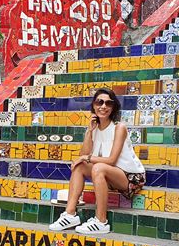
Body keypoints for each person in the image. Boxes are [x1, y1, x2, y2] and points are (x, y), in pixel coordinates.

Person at [49, 88, 145, 234]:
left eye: (108, 103)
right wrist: (89, 132)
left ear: (113, 107)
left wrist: (85, 157)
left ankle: (101, 221)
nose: (103, 106)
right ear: (94, 105)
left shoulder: (119, 128)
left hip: (131, 178)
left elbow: (111, 160)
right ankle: (70, 215)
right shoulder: (95, 128)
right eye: (99, 102)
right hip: (110, 175)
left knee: (98, 167)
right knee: (80, 167)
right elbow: (84, 156)